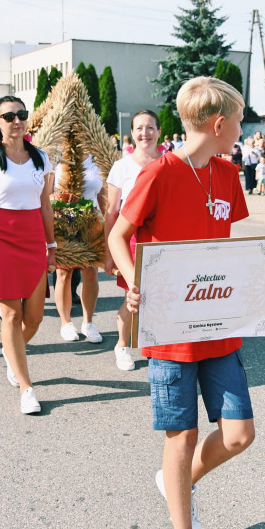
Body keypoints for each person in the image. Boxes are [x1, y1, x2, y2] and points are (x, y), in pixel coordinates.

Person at [109, 78, 265, 529]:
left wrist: (263, 276)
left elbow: (227, 257)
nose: (243, 130)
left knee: (238, 435)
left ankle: (176, 483)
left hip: (220, 325)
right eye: (240, 120)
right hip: (169, 330)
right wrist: (134, 281)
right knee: (182, 436)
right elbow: (115, 236)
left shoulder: (228, 175)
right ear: (220, 123)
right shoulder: (158, 174)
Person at [0, 96, 56, 415]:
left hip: (33, 239)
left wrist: (52, 247)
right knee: (12, 316)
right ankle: (27, 387)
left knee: (34, 318)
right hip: (0, 239)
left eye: (22, 114)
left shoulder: (41, 158)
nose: (17, 120)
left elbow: (46, 205)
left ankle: (10, 352)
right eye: (9, 116)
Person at [103, 109, 161, 371]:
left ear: (159, 132)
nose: (144, 133)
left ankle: (156, 344)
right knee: (133, 293)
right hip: (131, 240)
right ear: (132, 133)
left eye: (150, 127)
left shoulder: (170, 162)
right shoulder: (121, 167)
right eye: (139, 128)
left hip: (162, 238)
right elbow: (111, 212)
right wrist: (108, 252)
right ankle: (122, 345)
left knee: (161, 295)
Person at [53, 154, 104, 344]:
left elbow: (102, 194)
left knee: (91, 271)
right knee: (64, 274)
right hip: (62, 216)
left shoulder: (95, 156)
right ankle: (66, 323)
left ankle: (88, 322)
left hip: (90, 218)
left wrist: (107, 225)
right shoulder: (57, 155)